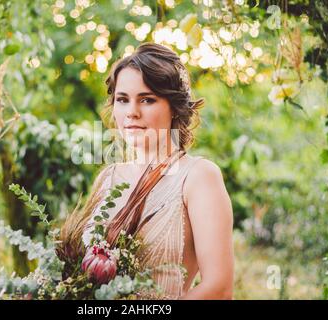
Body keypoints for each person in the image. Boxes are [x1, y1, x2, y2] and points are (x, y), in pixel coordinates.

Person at [61, 43, 234, 300]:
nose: (132, 112)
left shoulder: (198, 177)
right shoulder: (108, 178)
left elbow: (219, 288)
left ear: (174, 106)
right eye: (122, 100)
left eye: (147, 99)